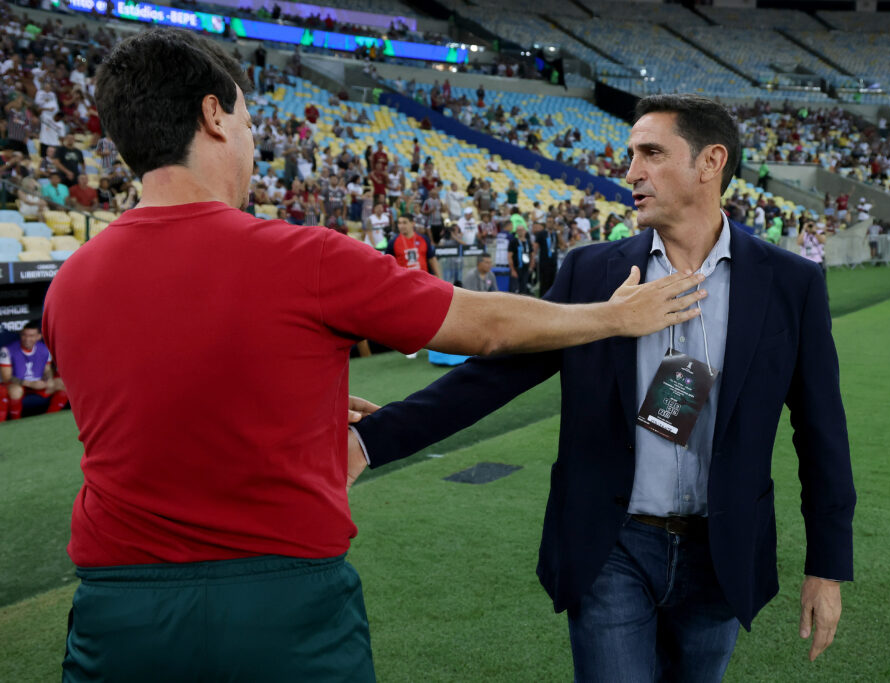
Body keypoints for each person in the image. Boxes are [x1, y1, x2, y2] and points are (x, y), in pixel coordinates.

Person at [43, 30, 705, 683]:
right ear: (214, 116)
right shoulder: (305, 258)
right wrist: (617, 316)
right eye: (248, 121)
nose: (251, 142)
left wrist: (294, 405)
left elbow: (151, 401)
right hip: (281, 601)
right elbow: (487, 327)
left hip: (116, 606)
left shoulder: (69, 285)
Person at [350, 94, 855, 681]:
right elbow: (495, 375)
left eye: (651, 153)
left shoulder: (790, 284)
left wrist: (827, 566)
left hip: (722, 552)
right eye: (630, 154)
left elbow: (821, 431)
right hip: (612, 545)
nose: (631, 172)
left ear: (710, 161)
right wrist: (370, 441)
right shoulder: (591, 271)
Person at [0, 320, 69, 421]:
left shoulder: (45, 349)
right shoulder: (7, 351)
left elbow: (47, 370)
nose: (27, 339)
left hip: (37, 383)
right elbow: (6, 378)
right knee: (16, 391)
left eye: (31, 336)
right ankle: (16, 421)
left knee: (62, 384)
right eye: (24, 335)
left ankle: (49, 418)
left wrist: (48, 379)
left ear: (38, 337)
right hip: (19, 384)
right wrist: (30, 383)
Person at [385, 213, 441, 277]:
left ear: (413, 223)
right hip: (403, 280)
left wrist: (439, 277)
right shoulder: (393, 242)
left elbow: (432, 259)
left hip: (423, 279)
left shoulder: (423, 239)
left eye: (404, 223)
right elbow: (389, 264)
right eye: (399, 223)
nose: (401, 226)